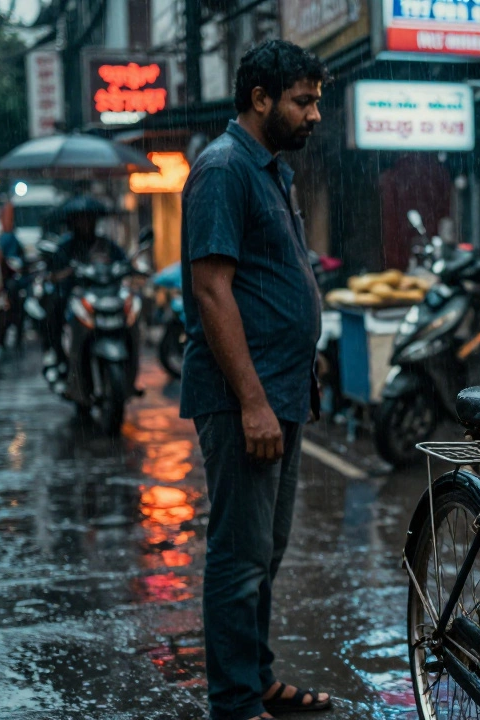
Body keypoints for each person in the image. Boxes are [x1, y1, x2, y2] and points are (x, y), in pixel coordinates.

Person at [180, 39, 329, 720]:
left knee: (265, 551)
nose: (315, 115)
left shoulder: (271, 171)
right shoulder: (222, 168)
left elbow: (273, 281)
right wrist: (252, 402)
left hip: (282, 389)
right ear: (260, 99)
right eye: (303, 101)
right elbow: (212, 290)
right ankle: (234, 703)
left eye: (317, 100)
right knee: (239, 556)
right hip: (250, 397)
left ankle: (257, 678)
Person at [40, 197, 127, 389]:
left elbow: (124, 262)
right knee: (54, 308)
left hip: (104, 296)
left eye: (89, 219)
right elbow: (53, 274)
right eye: (81, 219)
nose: (86, 223)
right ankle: (58, 355)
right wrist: (68, 272)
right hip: (73, 297)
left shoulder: (107, 245)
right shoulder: (65, 246)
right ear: (73, 223)